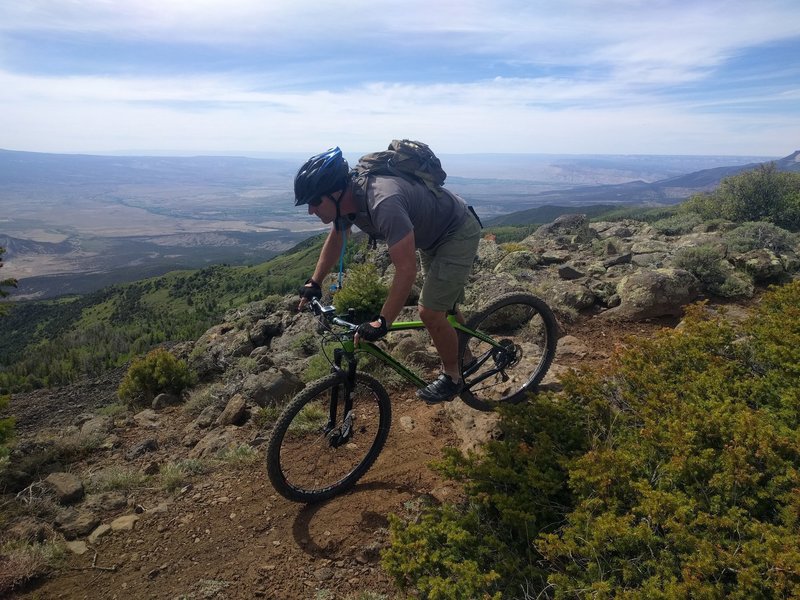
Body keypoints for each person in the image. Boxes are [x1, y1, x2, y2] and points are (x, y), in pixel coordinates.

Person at [295, 146, 481, 404]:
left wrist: (383, 322)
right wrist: (314, 282)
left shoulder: (383, 202)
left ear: (336, 193)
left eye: (315, 201)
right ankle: (467, 358)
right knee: (443, 304)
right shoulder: (349, 200)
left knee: (430, 311)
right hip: (432, 236)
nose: (311, 210)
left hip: (456, 231)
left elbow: (405, 270)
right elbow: (338, 236)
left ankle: (453, 376)